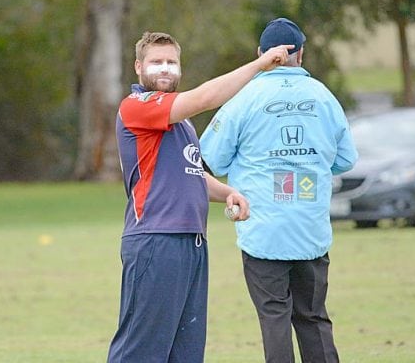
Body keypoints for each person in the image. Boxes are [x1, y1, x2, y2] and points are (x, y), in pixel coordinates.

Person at [107, 31, 293, 363]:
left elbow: (191, 174)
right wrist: (260, 65)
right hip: (156, 240)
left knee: (186, 352)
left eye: (171, 62)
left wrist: (228, 192)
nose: (165, 68)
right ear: (138, 67)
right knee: (140, 352)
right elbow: (205, 97)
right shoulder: (137, 106)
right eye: (156, 62)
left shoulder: (182, 123)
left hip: (191, 243)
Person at [199, 18, 359, 363]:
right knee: (313, 317)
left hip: (263, 230)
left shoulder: (244, 98)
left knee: (274, 317)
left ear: (260, 53)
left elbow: (212, 157)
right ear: (301, 54)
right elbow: (346, 158)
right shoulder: (323, 96)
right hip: (310, 230)